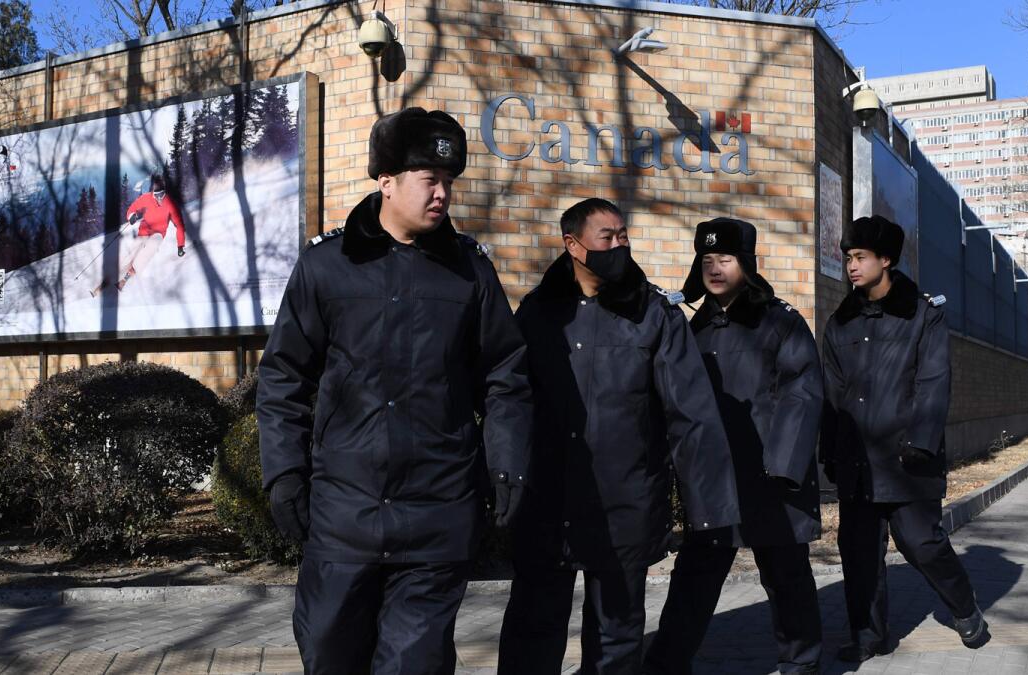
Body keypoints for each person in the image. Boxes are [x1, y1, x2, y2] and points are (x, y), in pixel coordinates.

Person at [255, 108, 533, 675]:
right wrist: (284, 474)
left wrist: (507, 465)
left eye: (449, 182)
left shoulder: (469, 274)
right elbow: (283, 378)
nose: (442, 194)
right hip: (343, 516)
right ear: (386, 181)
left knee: (416, 665)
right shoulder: (325, 267)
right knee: (331, 656)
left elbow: (506, 377)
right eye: (430, 180)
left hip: (437, 513)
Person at [497, 198, 739, 675]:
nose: (619, 245)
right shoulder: (539, 312)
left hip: (623, 505)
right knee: (532, 630)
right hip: (549, 503)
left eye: (623, 235)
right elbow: (509, 398)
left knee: (616, 637)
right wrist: (505, 472)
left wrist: (708, 507)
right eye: (606, 238)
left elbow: (690, 414)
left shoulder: (654, 315)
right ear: (573, 245)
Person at [644, 218, 824, 674]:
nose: (715, 268)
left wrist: (783, 466)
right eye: (706, 260)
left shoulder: (779, 322)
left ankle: (801, 662)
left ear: (746, 263)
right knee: (695, 577)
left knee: (787, 578)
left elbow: (802, 390)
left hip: (771, 477)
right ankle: (666, 663)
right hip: (713, 478)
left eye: (725, 259)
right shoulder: (687, 327)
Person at [821, 215, 988, 662]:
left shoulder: (924, 314)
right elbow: (831, 391)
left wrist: (921, 441)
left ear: (886, 259)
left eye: (860, 257)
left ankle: (965, 606)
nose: (852, 267)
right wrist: (830, 449)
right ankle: (867, 635)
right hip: (858, 458)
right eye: (848, 258)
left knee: (921, 543)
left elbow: (934, 380)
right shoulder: (840, 323)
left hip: (909, 456)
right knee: (858, 554)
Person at [92, 173, 186, 296]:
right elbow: (132, 209)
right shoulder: (146, 198)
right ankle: (106, 281)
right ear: (153, 192)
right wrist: (132, 216)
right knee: (129, 255)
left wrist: (180, 245)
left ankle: (125, 279)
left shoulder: (170, 204)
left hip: (158, 234)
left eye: (162, 194)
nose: (159, 198)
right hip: (144, 232)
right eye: (157, 195)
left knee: (150, 248)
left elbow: (179, 225)